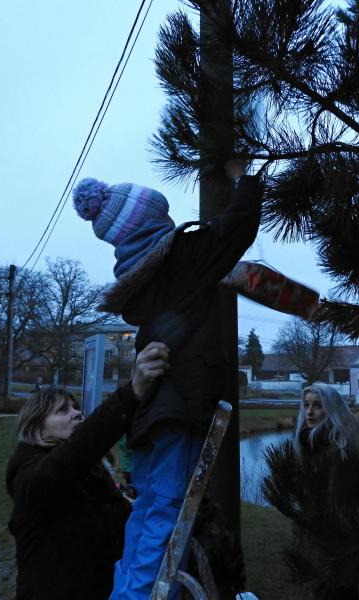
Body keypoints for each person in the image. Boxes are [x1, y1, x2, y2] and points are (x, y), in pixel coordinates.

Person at [73, 160, 262, 599]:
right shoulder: (185, 256)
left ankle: (125, 592)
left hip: (150, 416)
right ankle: (141, 595)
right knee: (168, 510)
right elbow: (236, 228)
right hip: (181, 407)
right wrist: (244, 178)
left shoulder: (140, 284)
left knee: (146, 509)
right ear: (152, 221)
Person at [6, 341, 170, 600]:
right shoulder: (28, 474)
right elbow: (72, 457)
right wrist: (133, 392)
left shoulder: (88, 469)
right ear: (36, 426)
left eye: (75, 407)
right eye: (62, 410)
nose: (76, 413)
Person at [292, 382, 359, 600]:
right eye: (306, 405)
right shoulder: (311, 448)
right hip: (317, 545)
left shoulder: (341, 454)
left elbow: (341, 510)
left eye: (318, 406)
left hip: (336, 552)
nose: (309, 412)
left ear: (333, 410)